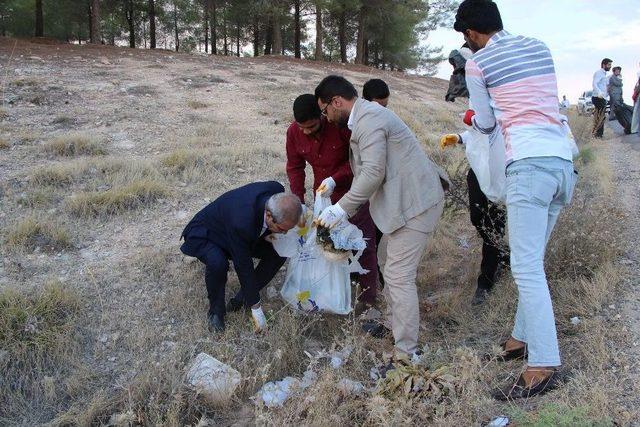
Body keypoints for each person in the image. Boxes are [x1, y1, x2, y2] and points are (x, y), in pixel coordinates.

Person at [453, 0, 577, 399]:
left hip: (528, 168)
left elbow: (487, 122)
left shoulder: (478, 63)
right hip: (561, 164)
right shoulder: (540, 46)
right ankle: (522, 338)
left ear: (471, 34)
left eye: (466, 38)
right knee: (532, 260)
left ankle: (542, 362)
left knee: (525, 268)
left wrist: (470, 119)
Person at [314, 75, 450, 364]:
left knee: (399, 276)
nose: (325, 117)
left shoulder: (370, 120)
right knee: (387, 261)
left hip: (416, 203)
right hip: (405, 203)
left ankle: (406, 353)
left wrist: (340, 209)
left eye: (325, 110)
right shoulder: (364, 118)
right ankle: (394, 323)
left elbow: (373, 173)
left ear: (337, 102)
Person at [286, 94, 379, 313]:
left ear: (322, 115)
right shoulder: (293, 132)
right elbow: (295, 166)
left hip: (353, 195)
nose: (307, 132)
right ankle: (335, 290)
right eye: (303, 128)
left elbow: (358, 161)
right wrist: (298, 201)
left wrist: (336, 178)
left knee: (363, 244)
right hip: (324, 197)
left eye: (311, 126)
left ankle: (368, 299)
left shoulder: (340, 126)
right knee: (328, 246)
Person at [180, 182, 301, 333]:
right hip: (206, 234)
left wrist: (271, 234)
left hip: (236, 231)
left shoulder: (276, 190)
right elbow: (244, 266)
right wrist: (256, 306)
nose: (284, 233)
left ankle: (241, 299)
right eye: (282, 230)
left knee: (279, 253)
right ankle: (216, 312)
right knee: (218, 263)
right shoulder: (242, 222)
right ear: (269, 216)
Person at [592, 58, 612, 138]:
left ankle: (598, 134)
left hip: (601, 98)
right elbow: (594, 84)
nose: (610, 66)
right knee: (600, 117)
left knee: (600, 116)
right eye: (609, 65)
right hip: (598, 97)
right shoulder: (599, 73)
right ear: (604, 65)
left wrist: (606, 95)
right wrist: (599, 92)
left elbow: (604, 86)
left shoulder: (604, 74)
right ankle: (598, 135)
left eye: (610, 65)